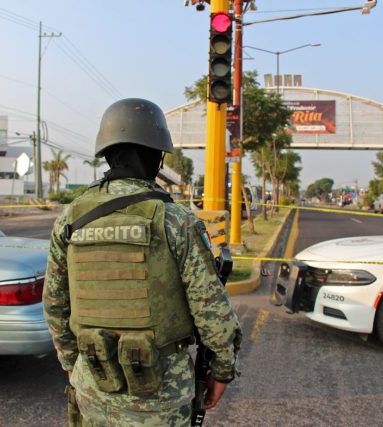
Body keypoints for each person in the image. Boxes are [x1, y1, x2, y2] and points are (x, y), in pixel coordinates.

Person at [43, 98, 242, 426]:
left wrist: (71, 363)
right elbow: (211, 310)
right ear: (157, 155)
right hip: (160, 399)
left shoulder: (71, 218)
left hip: (92, 387)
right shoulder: (174, 220)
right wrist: (222, 370)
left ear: (107, 152)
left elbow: (54, 305)